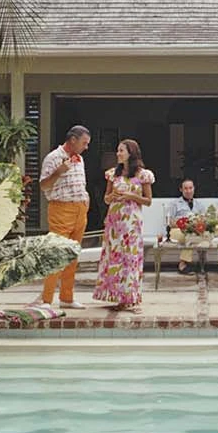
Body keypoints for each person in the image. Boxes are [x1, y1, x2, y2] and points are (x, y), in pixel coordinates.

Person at [93, 138, 154, 311]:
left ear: (131, 153)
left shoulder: (143, 175)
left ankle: (131, 297)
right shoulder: (113, 174)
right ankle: (117, 296)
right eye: (118, 150)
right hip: (114, 220)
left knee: (130, 258)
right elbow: (106, 198)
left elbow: (148, 201)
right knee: (115, 257)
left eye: (121, 151)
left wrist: (131, 196)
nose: (118, 154)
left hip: (131, 222)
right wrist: (111, 197)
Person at [39, 124, 91, 308]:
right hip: (61, 209)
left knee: (72, 256)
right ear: (73, 140)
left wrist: (85, 200)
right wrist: (59, 171)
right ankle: (46, 299)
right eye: (84, 143)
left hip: (80, 210)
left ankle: (66, 298)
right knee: (56, 253)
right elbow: (43, 185)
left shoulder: (80, 159)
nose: (86, 147)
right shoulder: (53, 158)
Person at [166, 177, 200, 273]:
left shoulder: (199, 204)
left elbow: (203, 220)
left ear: (194, 188)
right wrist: (184, 225)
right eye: (186, 188)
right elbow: (169, 221)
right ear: (181, 190)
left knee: (194, 235)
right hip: (176, 231)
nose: (188, 191)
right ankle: (183, 264)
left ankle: (188, 262)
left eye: (190, 188)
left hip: (193, 231)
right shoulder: (175, 204)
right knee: (190, 235)